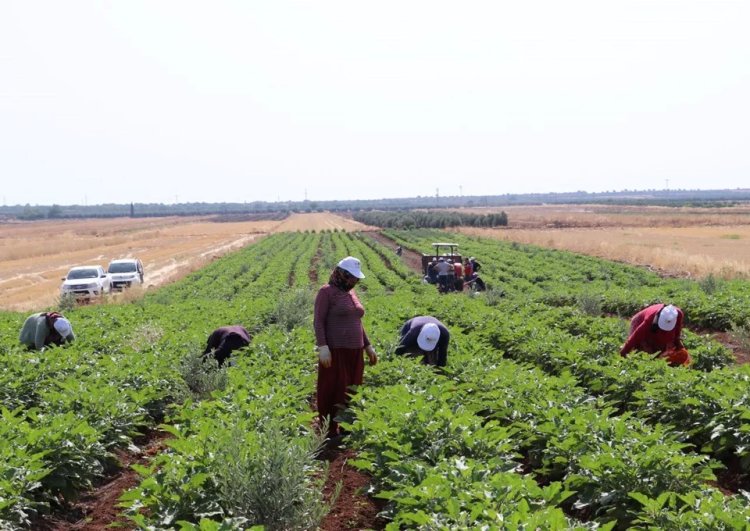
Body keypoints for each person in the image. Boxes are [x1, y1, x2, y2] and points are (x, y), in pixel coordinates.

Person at [314, 256, 378, 438]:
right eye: (351, 277)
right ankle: (330, 428)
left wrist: (367, 345)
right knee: (333, 388)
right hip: (336, 350)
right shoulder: (326, 292)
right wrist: (323, 346)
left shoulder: (350, 293)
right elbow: (318, 321)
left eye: (356, 278)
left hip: (355, 351)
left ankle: (347, 426)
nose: (354, 281)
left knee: (352, 389)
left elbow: (356, 321)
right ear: (341, 274)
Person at [620, 303, 690, 366]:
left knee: (663, 346)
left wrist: (679, 346)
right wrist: (622, 355)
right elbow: (634, 339)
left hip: (655, 324)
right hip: (639, 320)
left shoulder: (678, 314)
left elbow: (677, 333)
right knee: (640, 349)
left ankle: (660, 364)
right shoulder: (649, 320)